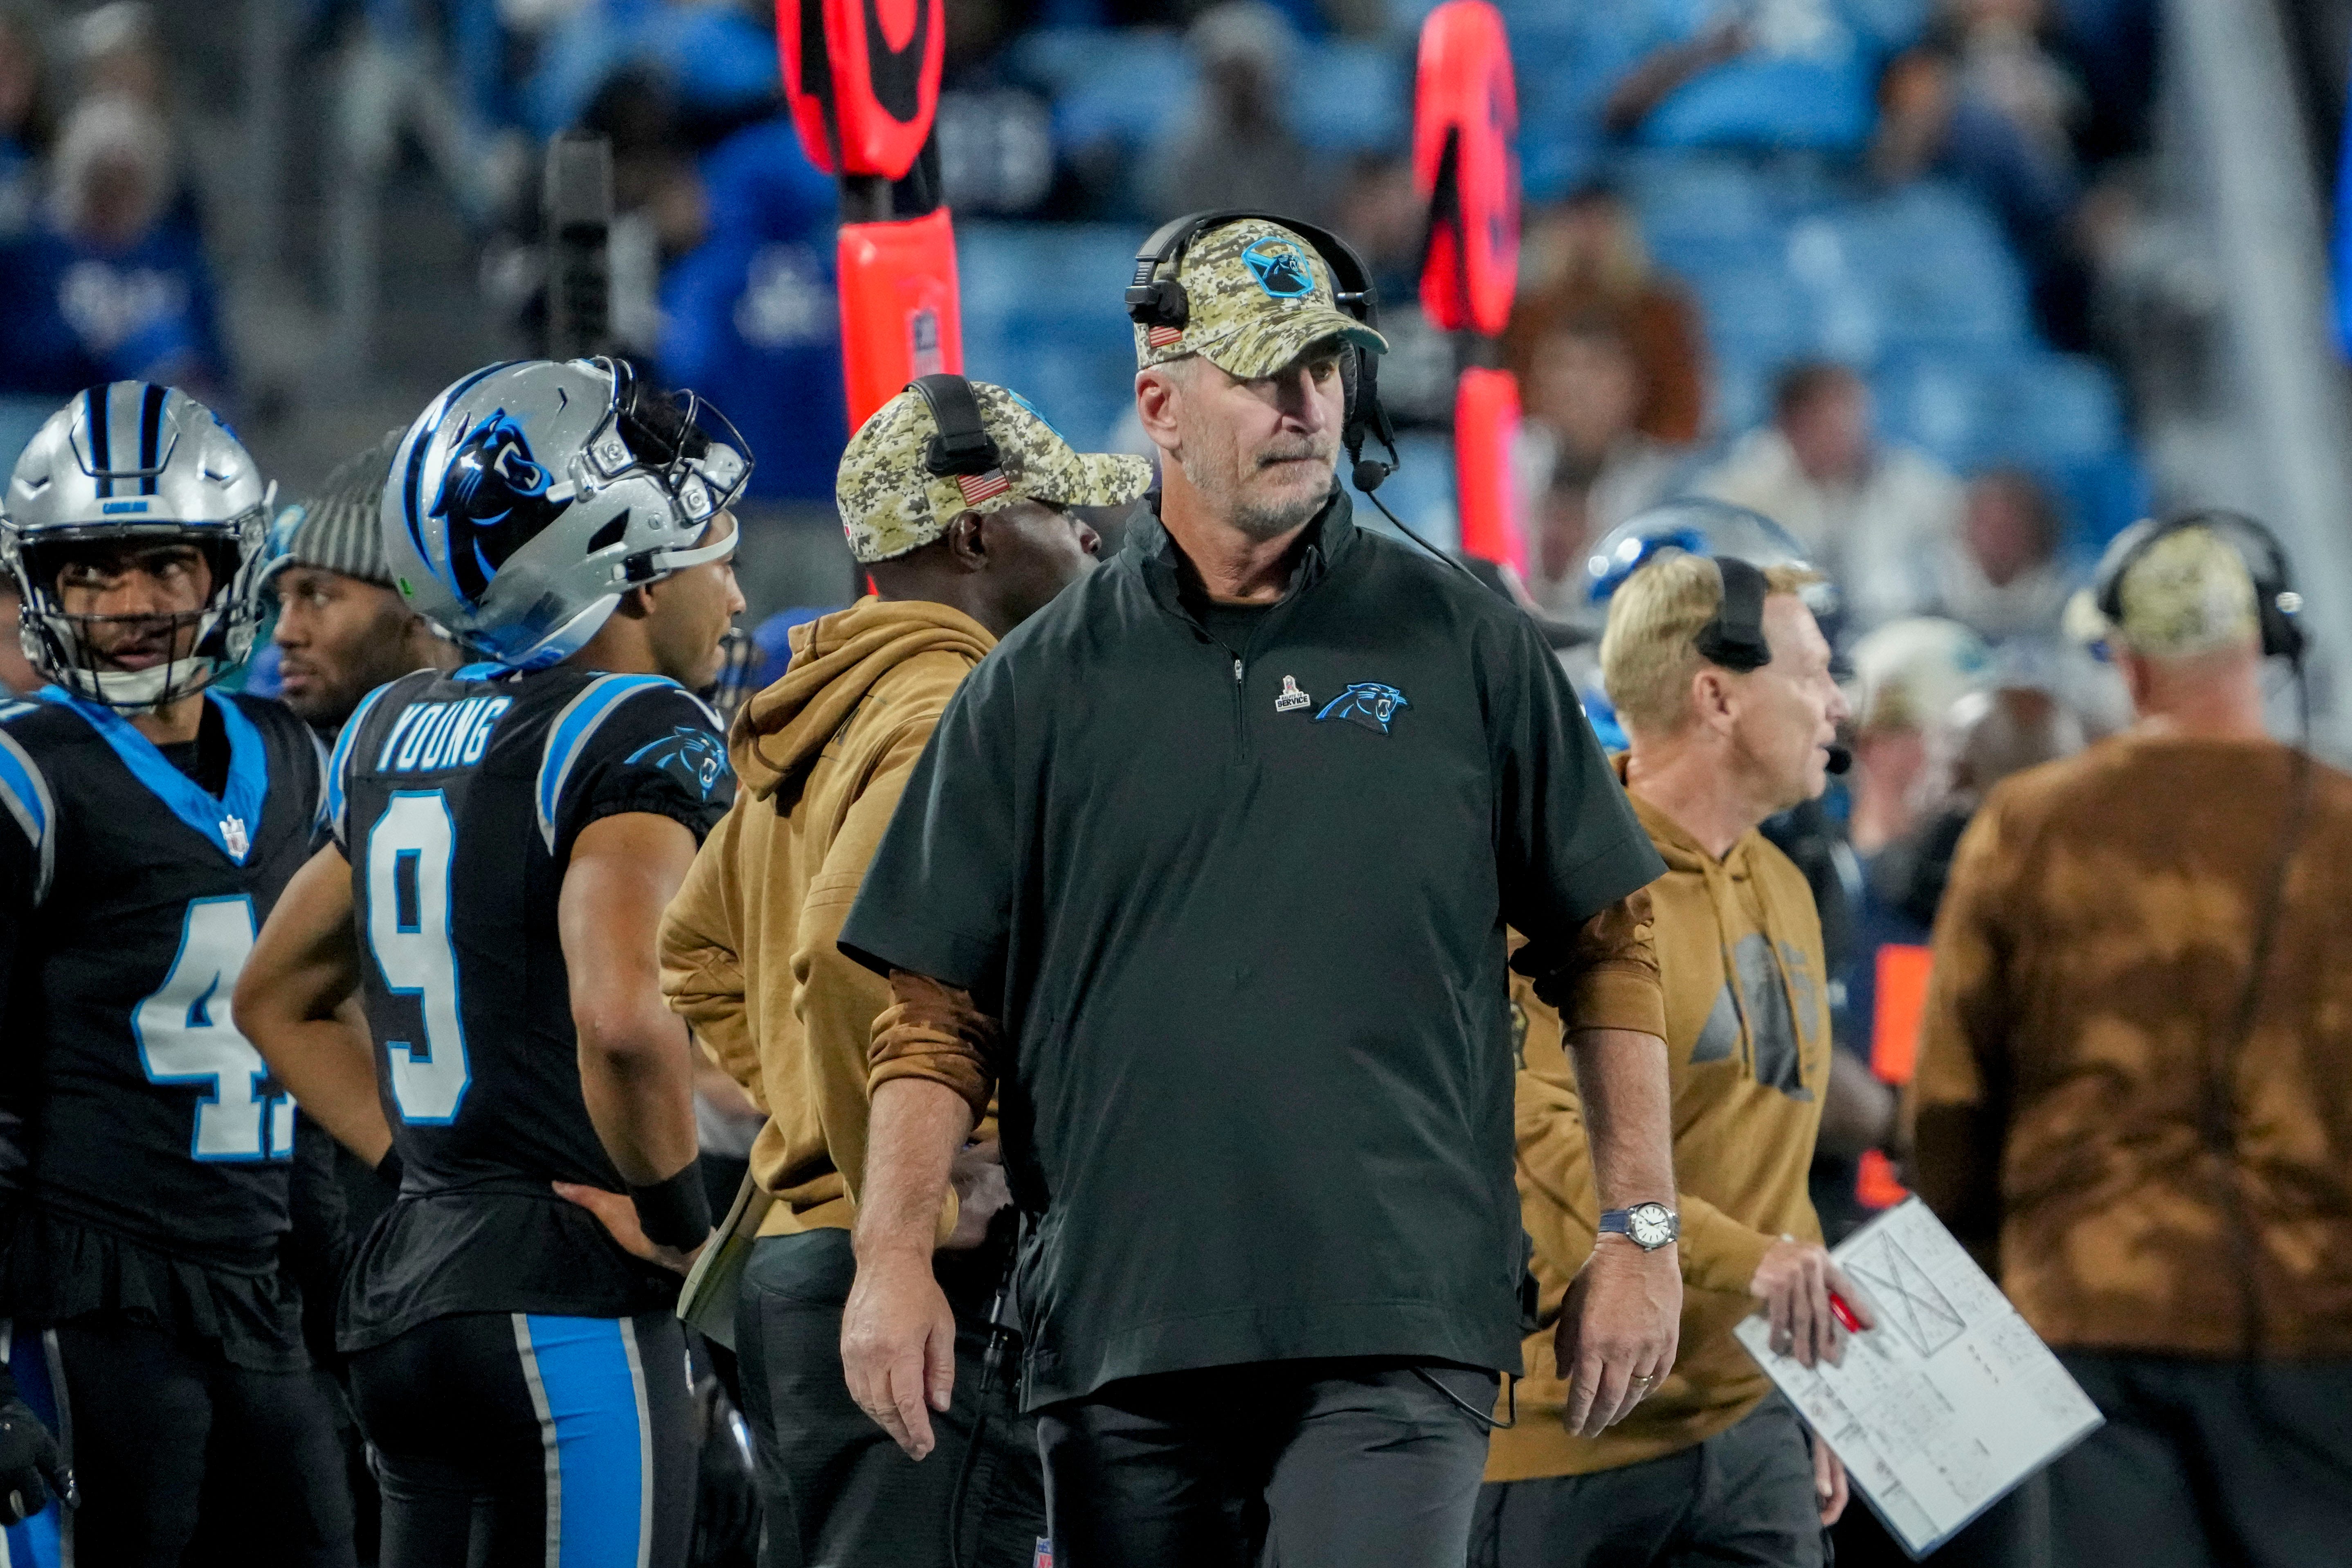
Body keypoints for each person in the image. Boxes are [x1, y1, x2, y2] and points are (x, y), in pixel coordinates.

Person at [832, 213, 1679, 1568]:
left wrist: (1642, 1229)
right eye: (1263, 372)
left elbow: (1611, 939)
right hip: (1122, 1323)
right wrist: (893, 1256)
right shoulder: (1031, 686)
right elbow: (936, 1012)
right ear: (1159, 403)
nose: (1304, 406)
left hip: (1399, 1312)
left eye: (1326, 371)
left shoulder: (1468, 642)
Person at [234, 357, 750, 1567]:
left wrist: (433, 1165)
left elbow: (276, 995)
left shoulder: (391, 722)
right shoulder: (632, 721)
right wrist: (684, 1225)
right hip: (562, 1303)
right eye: (706, 556)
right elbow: (621, 1016)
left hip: (412, 1293)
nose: (730, 593)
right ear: (620, 569)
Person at [660, 374, 1143, 1566]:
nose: (1088, 536)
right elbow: (846, 947)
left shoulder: (832, 703)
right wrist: (914, 1182)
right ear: (975, 529)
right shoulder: (945, 707)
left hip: (796, 1254)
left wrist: (818, 1125)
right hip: (906, 1273)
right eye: (1060, 510)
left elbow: (696, 947)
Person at [1910, 518, 2352, 1567]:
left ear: (2126, 658)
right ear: (2260, 644)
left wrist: (1978, 1283)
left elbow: (1949, 1105)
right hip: (2315, 1326)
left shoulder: (2028, 825)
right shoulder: (2340, 827)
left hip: (2086, 1313)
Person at [0, 382, 353, 1563]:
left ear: (228, 567)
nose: (130, 604)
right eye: (91, 572)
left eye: (164, 564)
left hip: (267, 1287)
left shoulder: (301, 761)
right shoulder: (26, 777)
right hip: (88, 1295)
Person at [1474, 548, 1869, 1568]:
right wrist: (1751, 1263)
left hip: (1745, 1429)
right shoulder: (1558, 877)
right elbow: (1534, 1141)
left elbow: (1776, 1167)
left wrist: (1814, 1376)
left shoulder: (1785, 881)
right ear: (1716, 695)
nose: (1837, 701)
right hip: (1571, 1430)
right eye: (1812, 671)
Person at [1695, 362, 1963, 631]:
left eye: (1856, 413)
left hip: (1886, 636)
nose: (1853, 428)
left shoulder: (1907, 480)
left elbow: (1964, 553)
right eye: (1835, 416)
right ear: (1793, 422)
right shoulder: (1742, 486)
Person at [265, 429, 462, 737]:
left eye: (318, 596)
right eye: (283, 600)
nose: (284, 633)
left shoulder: (522, 749)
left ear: (420, 603)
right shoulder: (282, 757)